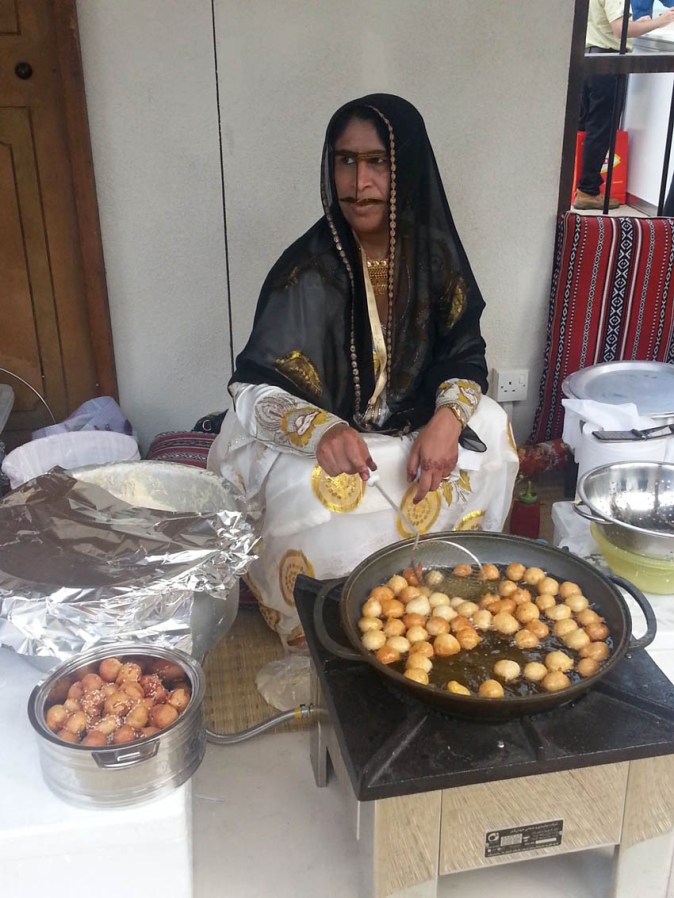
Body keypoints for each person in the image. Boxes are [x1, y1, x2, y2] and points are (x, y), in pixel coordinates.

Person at [208, 94, 519, 649]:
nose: (359, 182)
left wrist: (447, 420)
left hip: (412, 428)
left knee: (492, 433)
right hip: (332, 438)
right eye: (345, 160)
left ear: (407, 168)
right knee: (312, 488)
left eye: (377, 162)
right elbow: (254, 390)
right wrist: (320, 430)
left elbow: (465, 352)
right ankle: (322, 626)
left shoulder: (435, 256)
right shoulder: (306, 268)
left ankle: (445, 591)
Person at [573, 0, 674, 211]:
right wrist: (659, 22)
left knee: (584, 127)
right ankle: (588, 190)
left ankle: (576, 185)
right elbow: (620, 29)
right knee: (600, 129)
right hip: (608, 59)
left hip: (588, 58)